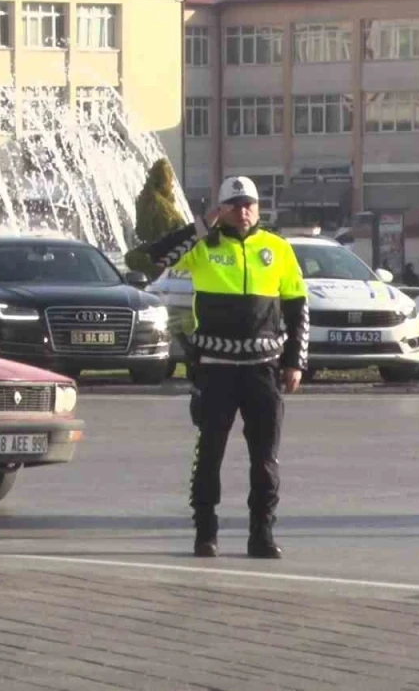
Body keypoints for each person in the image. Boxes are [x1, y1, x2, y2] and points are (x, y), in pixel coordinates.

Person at [137, 176, 309, 560]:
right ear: (221, 209)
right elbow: (156, 256)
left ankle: (261, 534)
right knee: (210, 453)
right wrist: (202, 226)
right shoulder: (203, 246)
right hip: (215, 369)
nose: (243, 212)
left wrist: (295, 361)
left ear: (258, 208)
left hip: (263, 369)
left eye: (249, 204)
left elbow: (298, 307)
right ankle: (205, 532)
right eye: (234, 205)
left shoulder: (277, 249)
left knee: (265, 458)